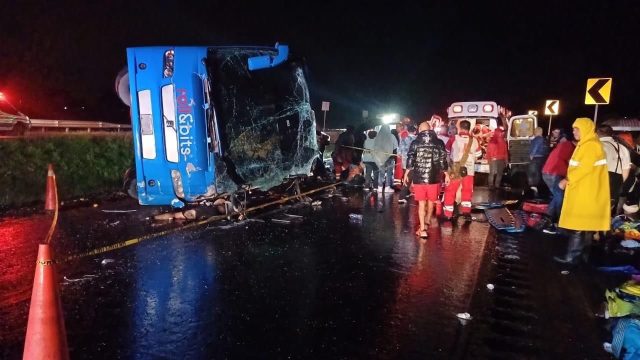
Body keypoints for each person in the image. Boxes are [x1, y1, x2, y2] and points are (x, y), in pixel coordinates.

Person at [554, 118, 610, 265]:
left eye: (576, 129)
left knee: (578, 225)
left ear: (585, 129)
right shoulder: (589, 144)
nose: (574, 132)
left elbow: (583, 168)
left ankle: (571, 258)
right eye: (573, 129)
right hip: (587, 189)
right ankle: (581, 258)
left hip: (585, 190)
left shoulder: (590, 146)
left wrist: (567, 180)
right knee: (585, 226)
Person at [404, 121, 449, 238]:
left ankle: (422, 229)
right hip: (434, 178)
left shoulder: (415, 142)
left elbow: (410, 159)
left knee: (421, 203)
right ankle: (428, 220)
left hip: (419, 178)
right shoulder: (439, 142)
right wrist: (446, 174)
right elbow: (443, 159)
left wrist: (406, 173)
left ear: (420, 129)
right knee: (431, 201)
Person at [443, 120, 479, 220]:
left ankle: (448, 214)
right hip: (469, 170)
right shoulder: (474, 140)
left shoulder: (453, 138)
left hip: (455, 168)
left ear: (459, 128)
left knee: (451, 190)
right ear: (469, 128)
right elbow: (478, 155)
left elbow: (446, 152)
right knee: (467, 190)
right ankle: (466, 212)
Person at [541, 131, 575, 234]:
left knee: (557, 196)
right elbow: (569, 161)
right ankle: (559, 221)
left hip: (549, 172)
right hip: (553, 173)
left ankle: (548, 218)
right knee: (559, 196)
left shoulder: (564, 145)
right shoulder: (569, 146)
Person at [598, 124, 631, 215]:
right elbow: (626, 170)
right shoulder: (623, 148)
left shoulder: (597, 146)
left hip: (598, 182)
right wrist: (618, 184)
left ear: (597, 134)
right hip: (616, 183)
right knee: (607, 212)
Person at [373, 124, 399, 193]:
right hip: (390, 157)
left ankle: (380, 187)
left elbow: (374, 147)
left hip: (380, 157)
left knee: (381, 172)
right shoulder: (392, 136)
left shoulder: (378, 137)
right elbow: (395, 146)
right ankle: (387, 187)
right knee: (389, 172)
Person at [398, 125, 418, 203]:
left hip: (404, 161)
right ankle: (401, 197)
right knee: (408, 179)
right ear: (415, 131)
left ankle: (407, 193)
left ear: (407, 131)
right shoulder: (416, 140)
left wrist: (402, 154)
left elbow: (399, 152)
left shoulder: (403, 139)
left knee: (406, 177)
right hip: (413, 162)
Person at [527, 127, 548, 196]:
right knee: (538, 173)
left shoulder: (538, 139)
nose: (534, 132)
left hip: (536, 157)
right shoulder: (543, 139)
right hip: (541, 158)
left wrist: (532, 154)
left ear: (537, 131)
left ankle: (533, 188)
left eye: (535, 131)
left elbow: (535, 146)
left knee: (532, 173)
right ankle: (537, 188)